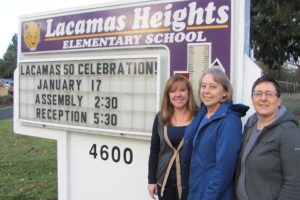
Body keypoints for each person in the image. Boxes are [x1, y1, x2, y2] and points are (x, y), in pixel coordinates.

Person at [181, 67, 249, 200]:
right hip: (195, 190)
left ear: (225, 92)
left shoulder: (229, 121)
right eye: (203, 86)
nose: (206, 91)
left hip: (212, 195)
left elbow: (223, 169)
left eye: (213, 86)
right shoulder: (202, 114)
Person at [235, 75, 300, 200]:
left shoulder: (289, 132)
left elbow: (295, 184)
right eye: (258, 93)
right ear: (252, 98)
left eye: (269, 94)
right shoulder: (250, 123)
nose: (263, 98)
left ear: (279, 100)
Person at [148, 75, 198, 200]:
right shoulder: (160, 117)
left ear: (188, 93)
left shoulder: (199, 116)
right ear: (168, 95)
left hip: (191, 183)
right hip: (165, 182)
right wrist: (151, 180)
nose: (178, 94)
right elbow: (154, 151)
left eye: (182, 90)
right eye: (173, 91)